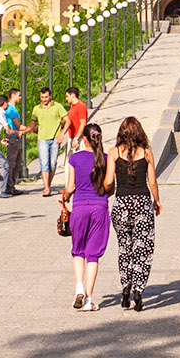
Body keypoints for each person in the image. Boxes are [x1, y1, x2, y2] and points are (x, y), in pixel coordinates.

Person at [111, 116, 161, 311]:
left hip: (121, 203)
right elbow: (153, 182)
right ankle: (139, 290)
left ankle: (125, 287)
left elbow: (109, 181)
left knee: (125, 246)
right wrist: (157, 201)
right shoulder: (147, 153)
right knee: (143, 247)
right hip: (142, 202)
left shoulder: (114, 153)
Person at [63, 122, 113, 310]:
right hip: (99, 207)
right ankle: (90, 300)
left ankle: (78, 289)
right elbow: (110, 187)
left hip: (79, 207)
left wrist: (65, 197)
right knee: (93, 254)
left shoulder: (75, 159)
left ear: (84, 138)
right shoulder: (107, 159)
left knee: (78, 250)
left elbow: (70, 188)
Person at [26, 87, 70, 196]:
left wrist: (62, 134)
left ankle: (48, 185)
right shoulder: (36, 108)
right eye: (42, 97)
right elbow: (33, 123)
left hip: (55, 138)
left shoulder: (57, 106)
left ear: (50, 96)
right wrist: (26, 130)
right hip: (42, 139)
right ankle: (46, 188)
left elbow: (67, 120)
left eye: (46, 97)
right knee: (44, 163)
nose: (44, 99)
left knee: (53, 164)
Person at [2, 88, 25, 195]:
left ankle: (11, 185)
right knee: (12, 163)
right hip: (12, 137)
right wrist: (32, 129)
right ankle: (9, 186)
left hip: (14, 137)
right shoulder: (11, 109)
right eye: (19, 95)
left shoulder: (11, 108)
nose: (20, 98)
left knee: (17, 163)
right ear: (14, 95)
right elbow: (18, 125)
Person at [63, 86, 89, 151]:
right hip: (72, 136)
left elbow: (83, 123)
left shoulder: (80, 106)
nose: (66, 98)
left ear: (73, 95)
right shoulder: (73, 106)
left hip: (78, 139)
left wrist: (76, 138)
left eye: (67, 96)